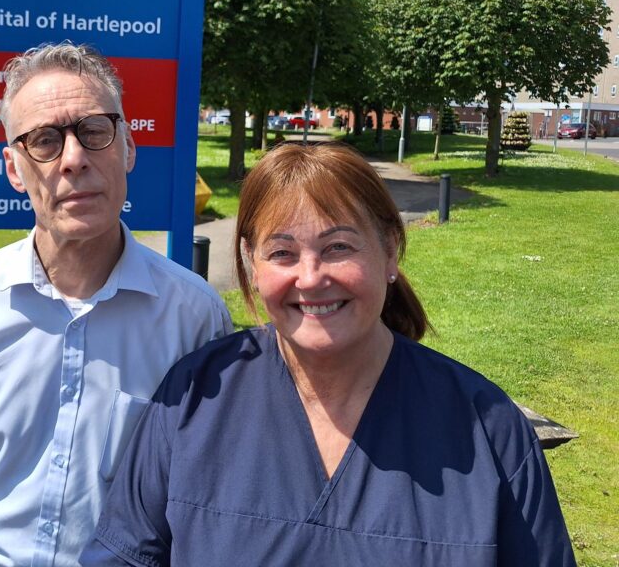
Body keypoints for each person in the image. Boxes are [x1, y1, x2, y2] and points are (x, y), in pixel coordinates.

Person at [82, 142, 575, 567]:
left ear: (389, 253)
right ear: (252, 266)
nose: (311, 276)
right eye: (282, 253)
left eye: (339, 247)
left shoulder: (487, 430)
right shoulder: (192, 401)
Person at [0, 42, 233, 567]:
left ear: (128, 147)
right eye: (43, 140)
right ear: (15, 170)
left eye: (94, 131)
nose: (73, 160)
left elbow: (203, 474)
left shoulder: (194, 316)